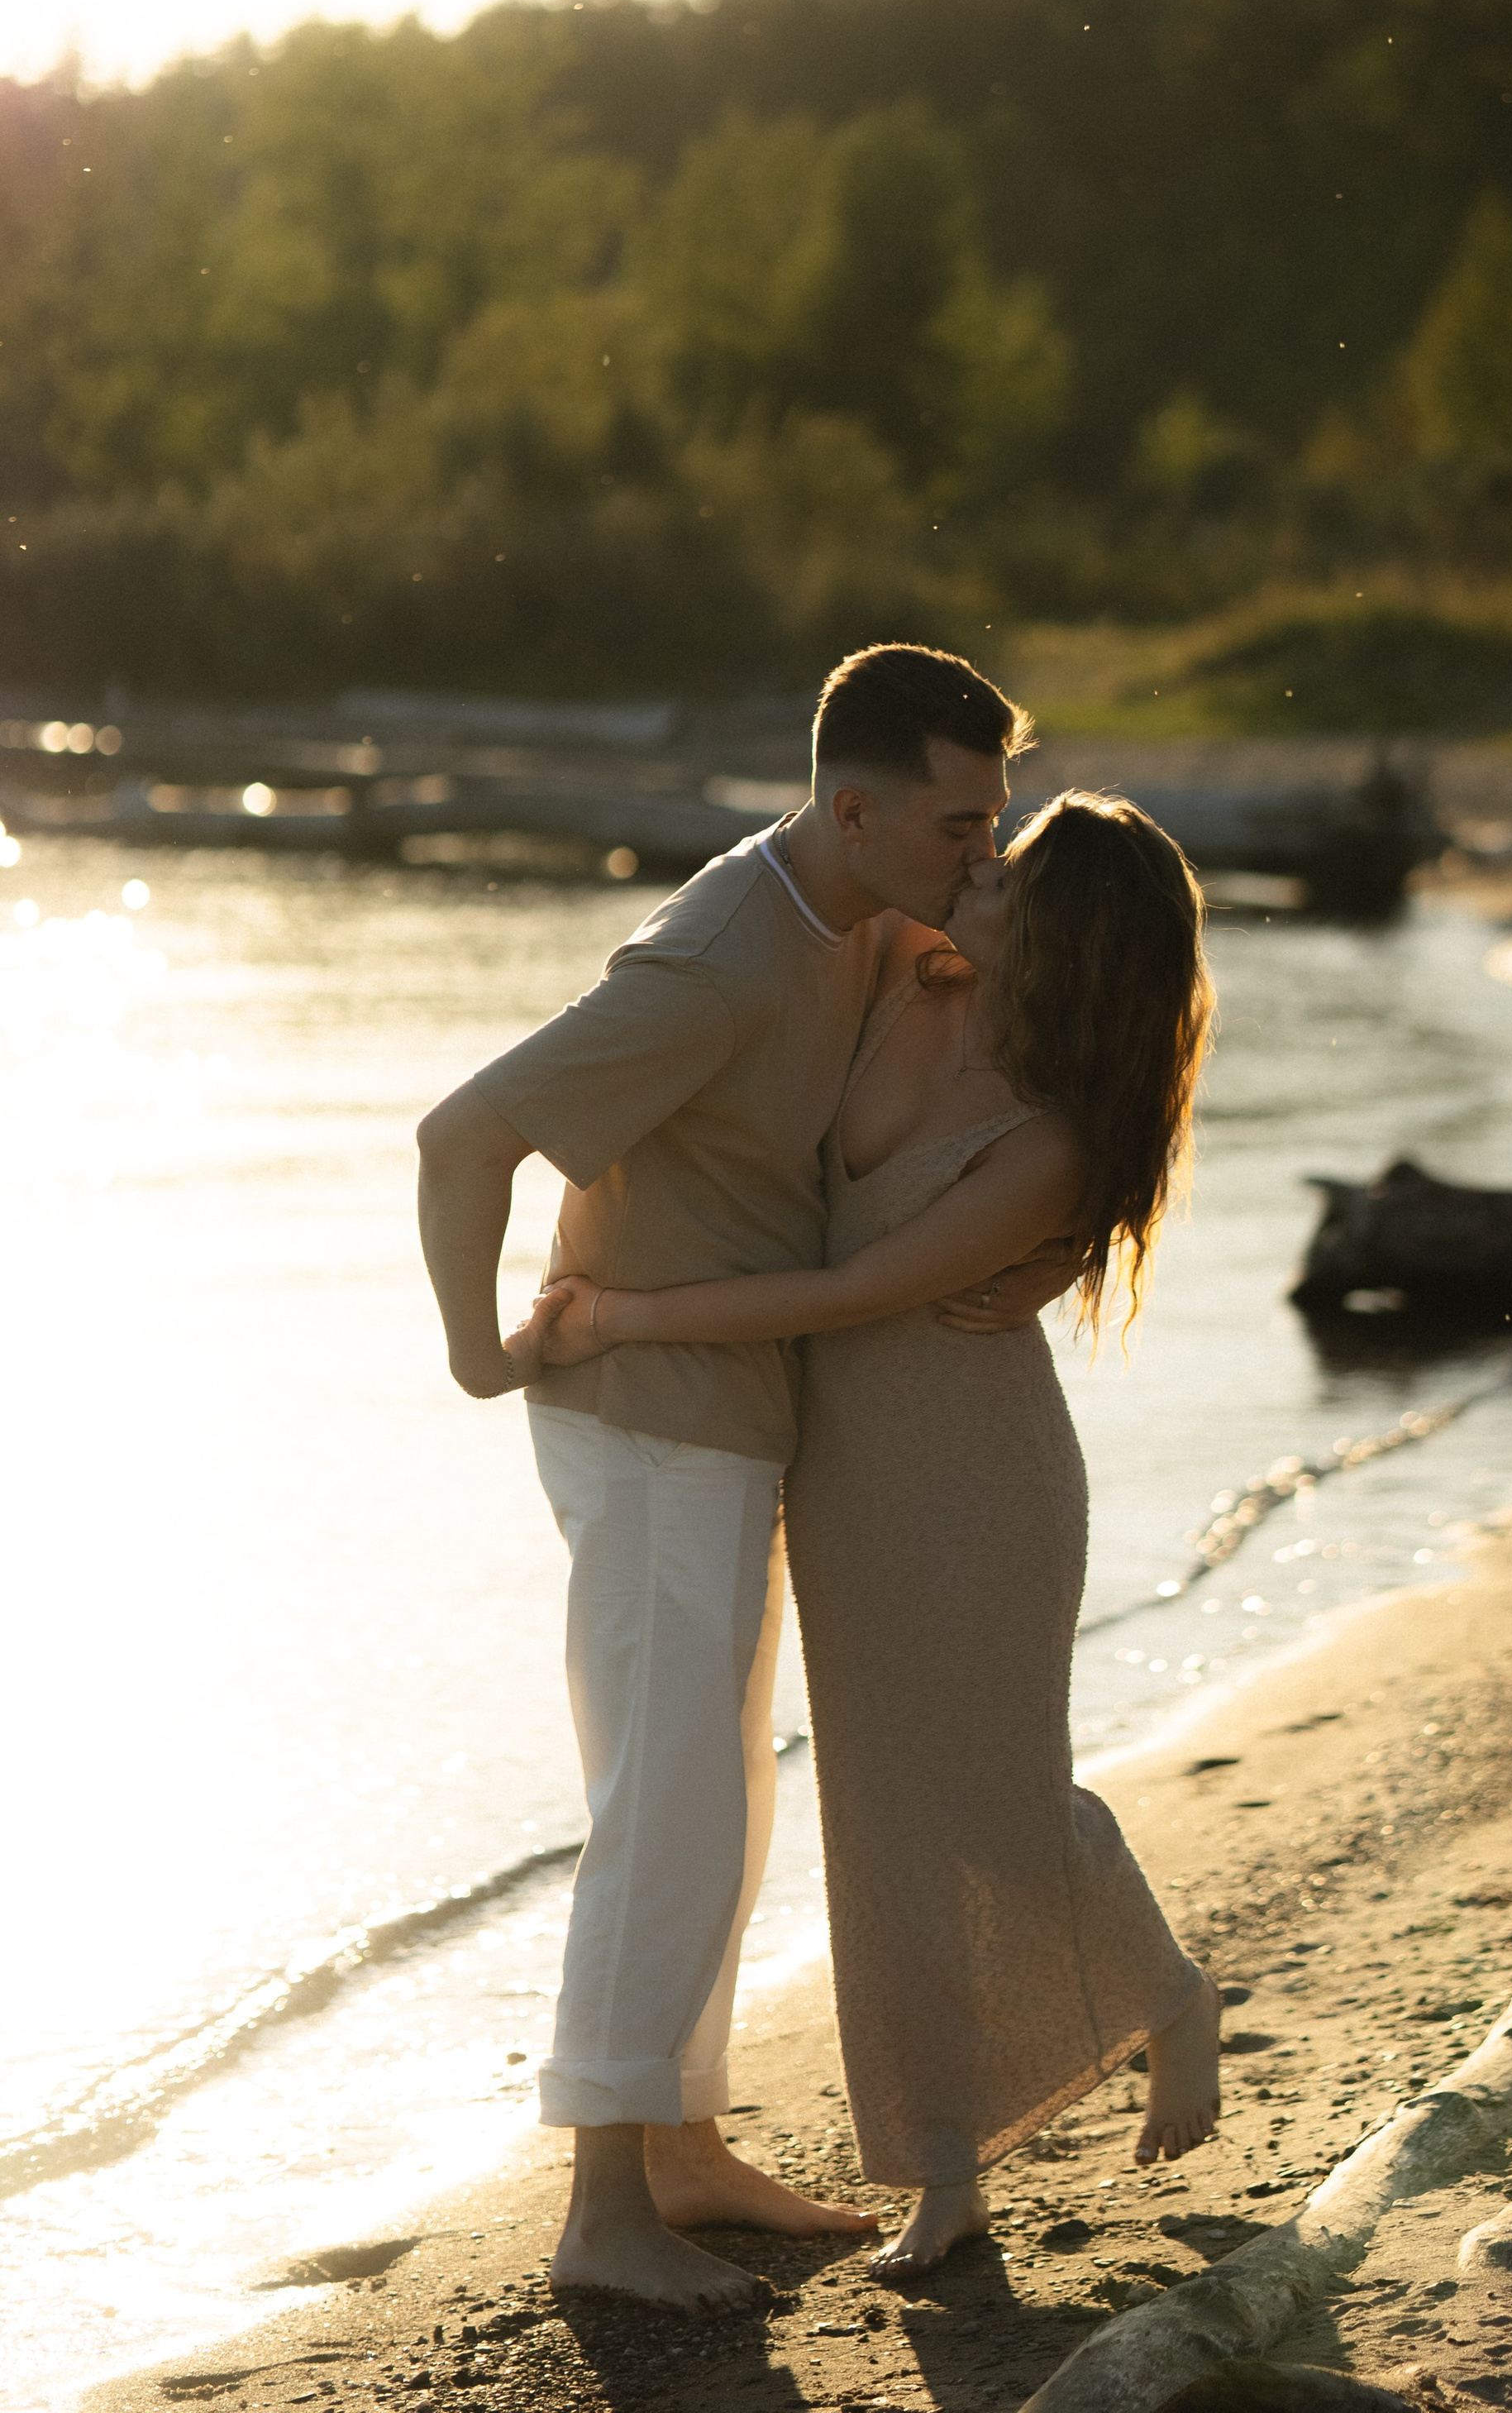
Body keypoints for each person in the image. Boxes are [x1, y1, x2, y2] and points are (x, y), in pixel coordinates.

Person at [416, 643, 1078, 2313]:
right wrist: (477, 1354)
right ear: (850, 807)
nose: (980, 860)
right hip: (643, 1416)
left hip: (730, 1413)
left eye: (989, 824)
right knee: (666, 1811)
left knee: (724, 1798)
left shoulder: (865, 914)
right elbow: (460, 1134)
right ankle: (598, 2221)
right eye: (956, 827)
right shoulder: (714, 955)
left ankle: (682, 2152)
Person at [510, 789, 1223, 2279]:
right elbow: (832, 835)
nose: (980, 866)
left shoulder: (1052, 1138)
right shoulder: (911, 956)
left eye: (1012, 874)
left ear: (1071, 938)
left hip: (975, 1476)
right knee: (882, 1836)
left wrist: (630, 1318)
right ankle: (945, 2176)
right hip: (835, 1470)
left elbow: (849, 1294)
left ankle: (1169, 1996)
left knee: (989, 1802)